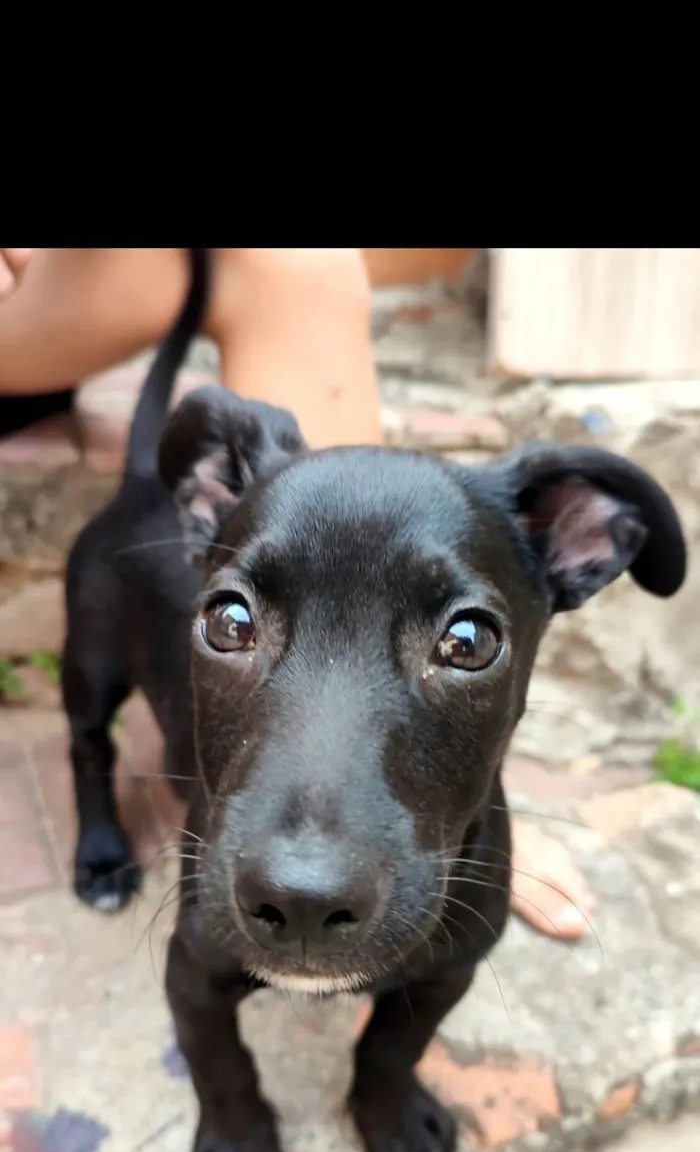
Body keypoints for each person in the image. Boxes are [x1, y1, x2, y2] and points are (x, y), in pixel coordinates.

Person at [0, 246, 595, 939]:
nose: (309, 870)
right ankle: (94, 797)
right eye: (235, 626)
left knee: (298, 262)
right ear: (203, 504)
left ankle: (461, 811)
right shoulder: (127, 546)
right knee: (89, 712)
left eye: (464, 644)